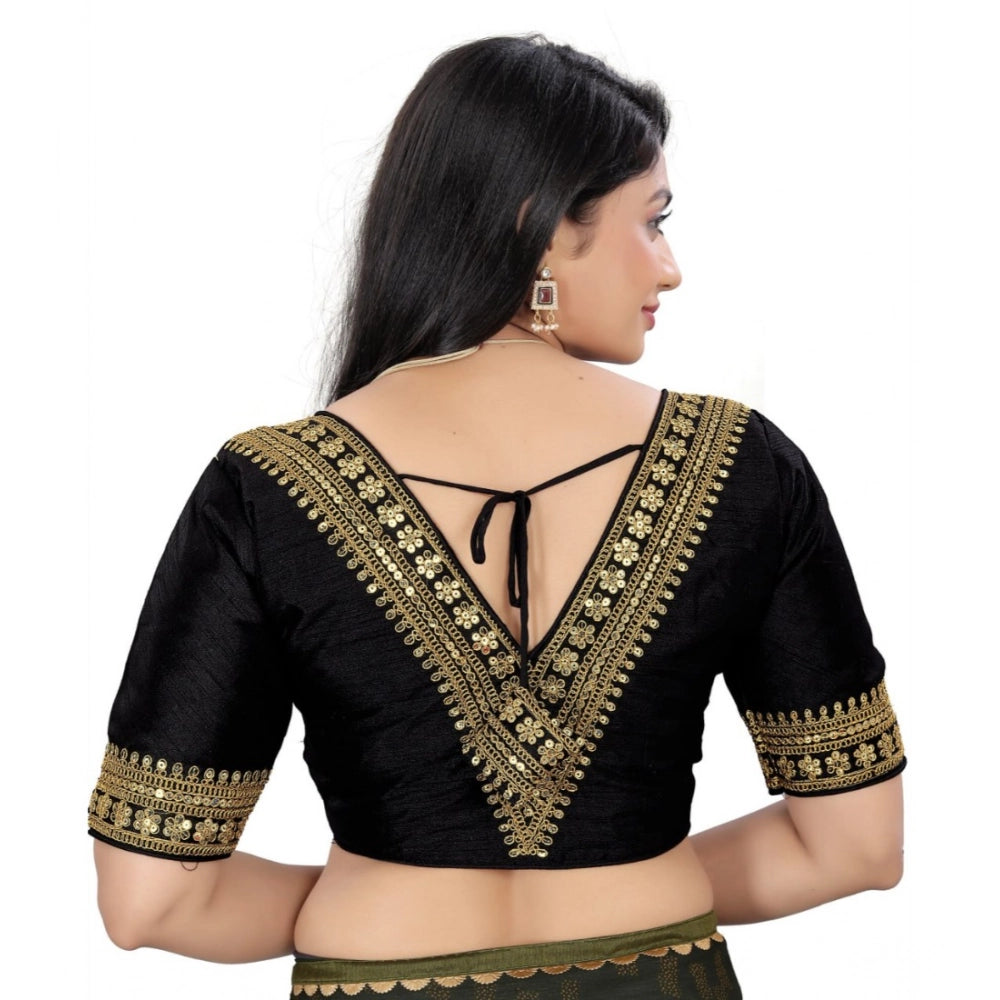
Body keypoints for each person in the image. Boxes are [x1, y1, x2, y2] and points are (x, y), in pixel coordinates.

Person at [88, 34, 905, 999]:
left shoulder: (266, 486)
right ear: (544, 227)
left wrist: (378, 897)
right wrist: (635, 884)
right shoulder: (743, 465)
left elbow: (152, 900)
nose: (670, 268)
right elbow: (853, 843)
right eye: (652, 222)